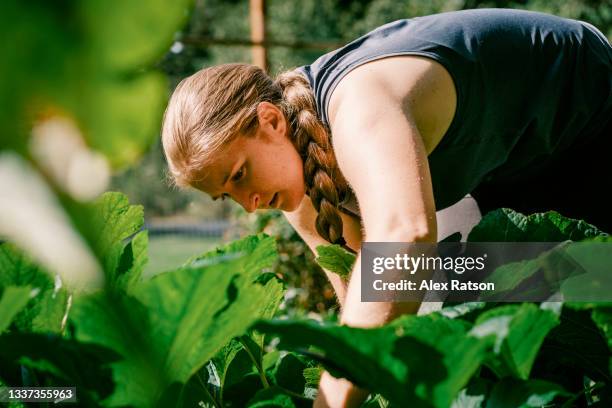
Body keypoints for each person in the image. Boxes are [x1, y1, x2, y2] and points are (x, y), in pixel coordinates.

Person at [161, 8, 611, 407]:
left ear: (270, 120)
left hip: (586, 108)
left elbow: (406, 240)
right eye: (227, 195)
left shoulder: (358, 108)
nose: (249, 204)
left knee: (588, 289)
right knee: (490, 301)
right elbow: (361, 292)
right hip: (509, 162)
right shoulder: (296, 186)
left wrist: (330, 403)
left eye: (239, 174)